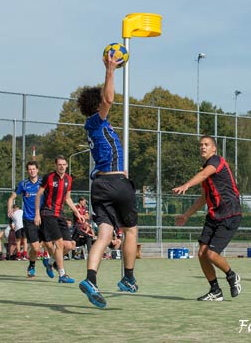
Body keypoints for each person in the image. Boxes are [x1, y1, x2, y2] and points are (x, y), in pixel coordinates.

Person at [76, 52, 140, 309]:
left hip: (100, 185)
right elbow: (109, 98)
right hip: (115, 184)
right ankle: (128, 278)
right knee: (131, 230)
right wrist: (111, 70)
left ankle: (91, 279)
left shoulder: (93, 127)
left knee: (104, 234)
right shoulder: (97, 120)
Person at [173, 135, 242, 301]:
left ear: (214, 149)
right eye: (201, 145)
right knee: (202, 254)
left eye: (206, 144)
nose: (202, 147)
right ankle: (215, 290)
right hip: (214, 215)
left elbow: (203, 174)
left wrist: (186, 185)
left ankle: (232, 276)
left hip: (229, 214)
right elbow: (203, 198)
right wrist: (186, 215)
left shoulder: (217, 161)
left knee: (211, 254)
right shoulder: (206, 170)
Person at [34, 155, 84, 284]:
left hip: (60, 214)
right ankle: (62, 275)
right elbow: (38, 195)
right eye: (59, 164)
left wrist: (77, 213)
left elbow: (68, 198)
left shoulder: (68, 179)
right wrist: (37, 214)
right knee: (60, 243)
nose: (62, 166)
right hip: (48, 213)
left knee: (69, 245)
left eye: (64, 164)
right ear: (55, 166)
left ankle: (50, 262)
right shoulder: (49, 177)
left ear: (67, 166)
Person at [7, 161, 43, 277]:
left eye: (34, 169)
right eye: (30, 169)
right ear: (28, 171)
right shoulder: (23, 184)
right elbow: (11, 197)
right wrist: (10, 209)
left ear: (37, 170)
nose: (32, 171)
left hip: (43, 218)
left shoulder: (43, 183)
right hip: (28, 219)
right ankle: (32, 264)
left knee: (51, 243)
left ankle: (51, 262)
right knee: (35, 247)